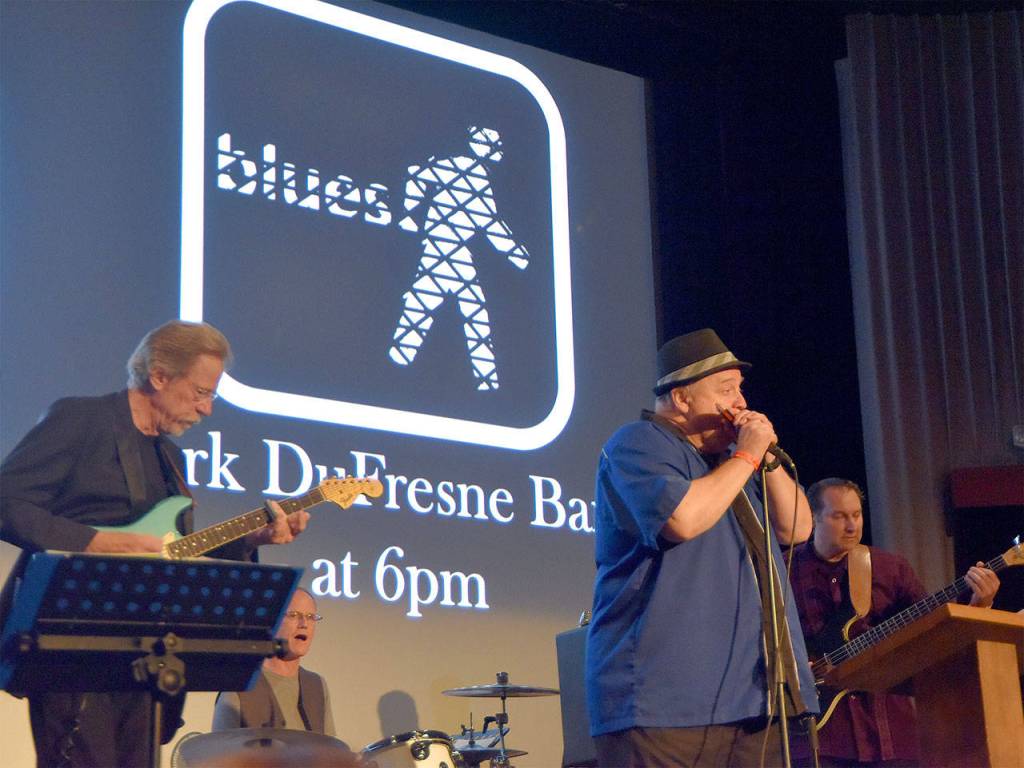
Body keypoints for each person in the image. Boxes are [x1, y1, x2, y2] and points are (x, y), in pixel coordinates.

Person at [0, 319, 310, 768]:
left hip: (145, 657)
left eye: (212, 395)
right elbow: (7, 501)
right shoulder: (82, 418)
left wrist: (251, 540)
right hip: (74, 649)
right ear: (159, 375)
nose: (206, 409)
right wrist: (93, 542)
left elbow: (176, 559)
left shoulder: (170, 459)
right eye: (200, 392)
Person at [586, 328, 819, 768]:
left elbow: (798, 527)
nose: (741, 404)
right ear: (681, 398)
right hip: (664, 705)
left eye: (741, 391)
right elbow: (683, 519)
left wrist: (761, 457)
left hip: (755, 702)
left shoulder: (730, 464)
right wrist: (746, 456)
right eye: (726, 390)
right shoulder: (638, 444)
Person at [789, 478, 1000, 768]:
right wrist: (793, 666)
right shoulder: (783, 571)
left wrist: (980, 604)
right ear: (812, 517)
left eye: (856, 515)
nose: (852, 526)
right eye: (839, 516)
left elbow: (933, 635)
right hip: (819, 737)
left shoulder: (890, 568)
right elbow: (760, 640)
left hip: (890, 734)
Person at [212, 587, 336, 736]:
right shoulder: (240, 685)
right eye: (293, 615)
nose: (304, 623)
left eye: (310, 617)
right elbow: (219, 753)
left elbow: (331, 751)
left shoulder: (316, 684)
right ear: (271, 622)